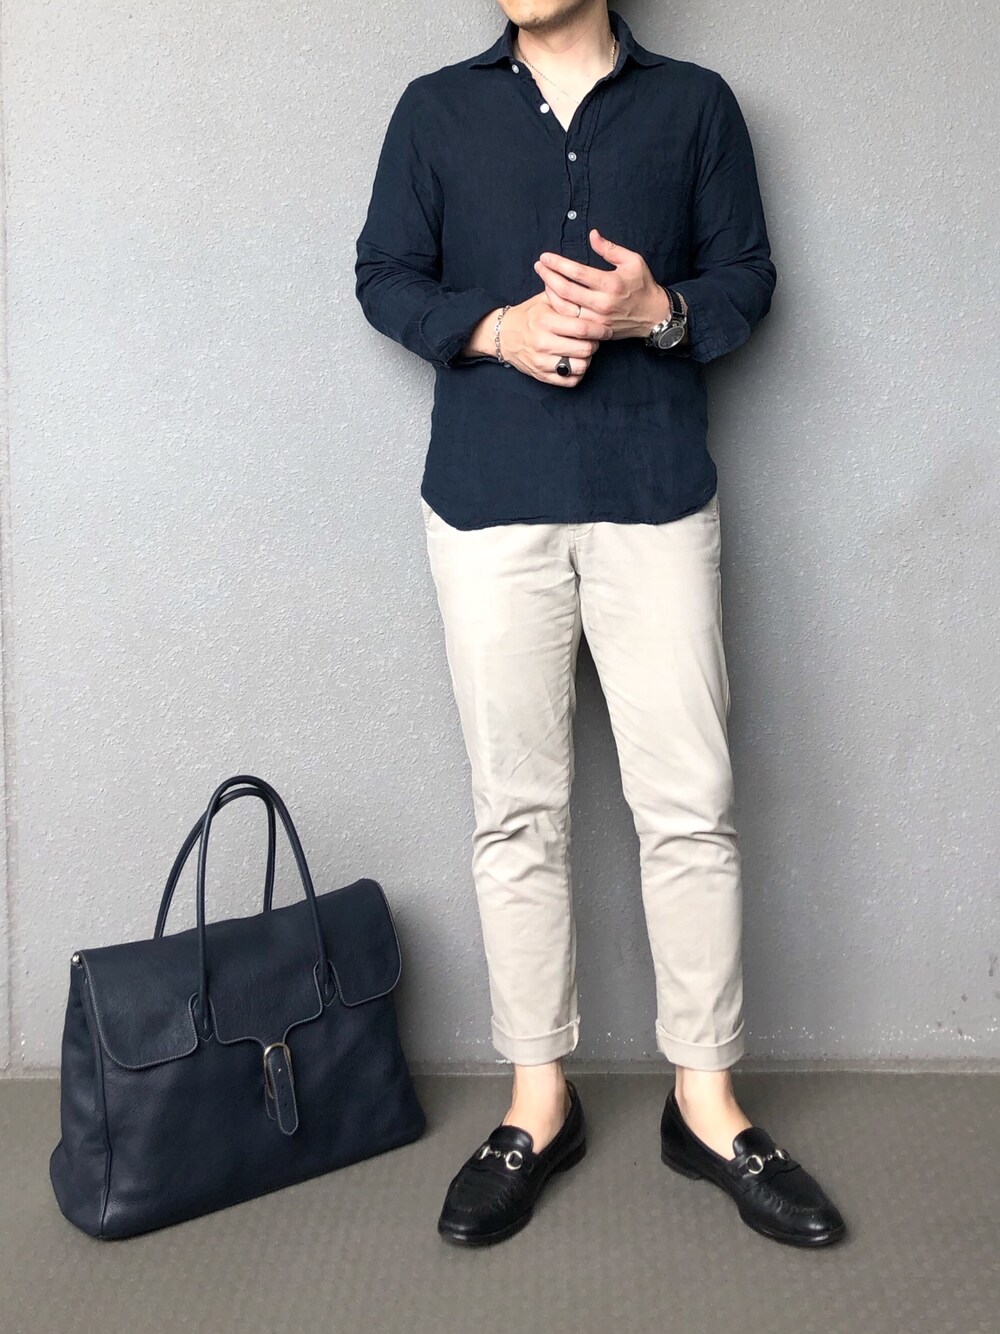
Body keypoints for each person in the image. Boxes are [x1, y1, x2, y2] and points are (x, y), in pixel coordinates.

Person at [355, 1, 847, 1249]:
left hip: (654, 499)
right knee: (513, 811)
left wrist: (655, 312)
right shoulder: (434, 109)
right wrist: (493, 328)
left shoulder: (695, 105)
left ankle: (707, 1103)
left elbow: (748, 279)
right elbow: (383, 273)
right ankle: (538, 1101)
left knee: (690, 807)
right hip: (486, 507)